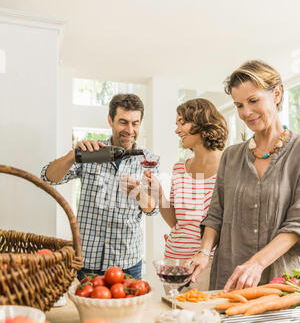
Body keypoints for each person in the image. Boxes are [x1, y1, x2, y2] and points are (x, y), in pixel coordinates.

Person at [188, 60, 300, 292]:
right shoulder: (231, 156)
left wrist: (255, 264)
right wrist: (203, 252)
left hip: (279, 284)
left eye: (253, 101)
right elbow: (216, 214)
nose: (246, 112)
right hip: (229, 280)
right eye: (239, 105)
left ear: (277, 93)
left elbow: (296, 225)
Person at [41, 94, 159, 280]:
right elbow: (48, 177)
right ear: (110, 120)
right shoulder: (91, 152)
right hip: (87, 260)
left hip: (127, 261)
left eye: (135, 123)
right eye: (123, 122)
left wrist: (139, 194)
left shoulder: (148, 160)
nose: (130, 130)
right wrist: (74, 154)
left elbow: (152, 208)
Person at [147, 98, 228, 291]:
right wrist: (159, 196)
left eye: (182, 122)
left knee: (201, 317)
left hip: (206, 265)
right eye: (177, 124)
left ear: (202, 122)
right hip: (173, 263)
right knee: (175, 316)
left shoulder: (228, 167)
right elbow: (177, 222)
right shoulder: (179, 168)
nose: (177, 130)